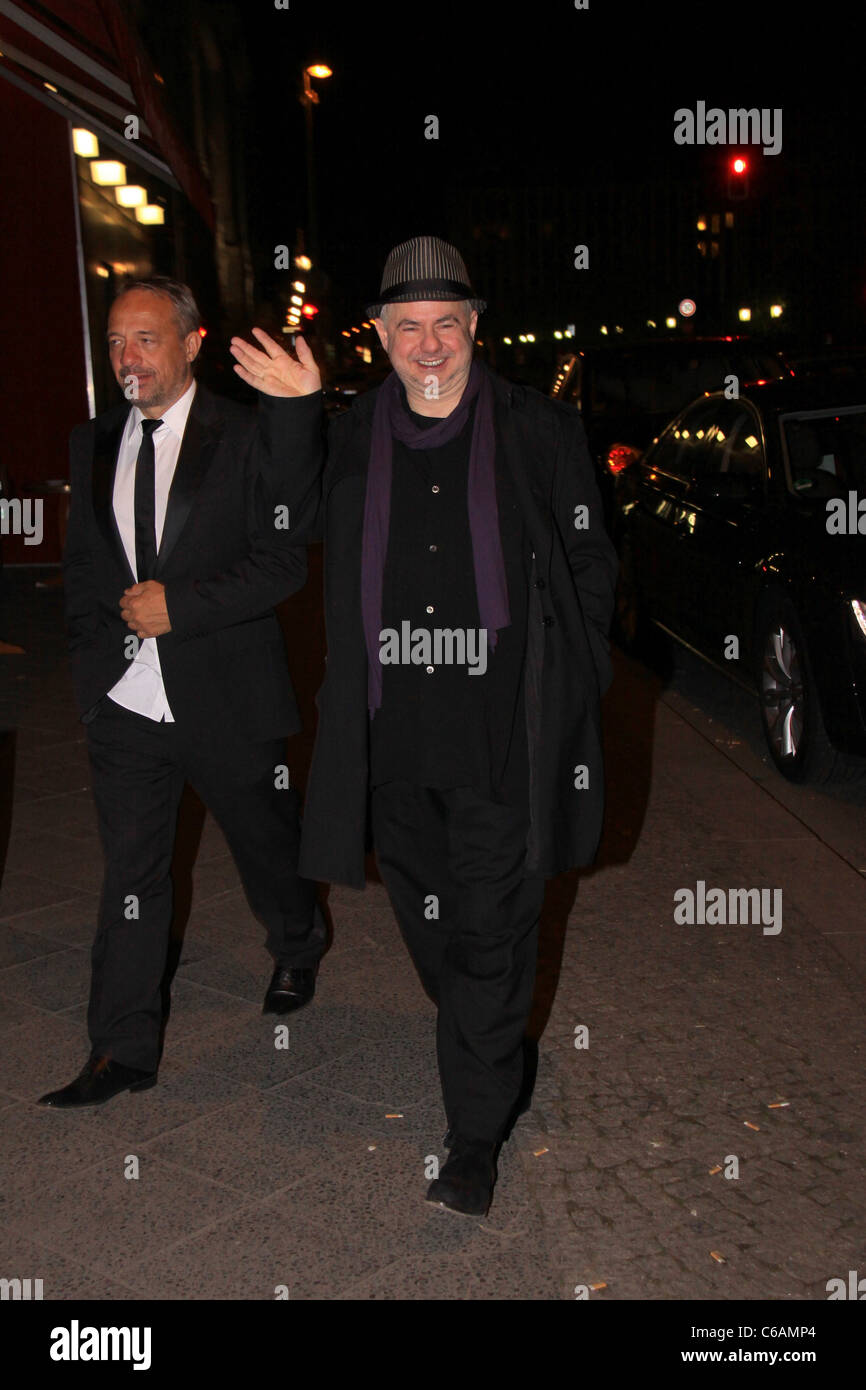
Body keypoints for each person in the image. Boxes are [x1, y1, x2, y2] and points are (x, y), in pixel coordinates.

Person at [234, 236, 618, 1216]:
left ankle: (472, 1139)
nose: (430, 344)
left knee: (492, 936)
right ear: (380, 335)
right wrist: (288, 412)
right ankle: (482, 1031)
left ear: (474, 328)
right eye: (408, 325)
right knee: (434, 930)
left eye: (447, 322)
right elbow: (283, 519)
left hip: (503, 740)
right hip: (391, 741)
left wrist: (573, 685)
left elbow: (588, 566)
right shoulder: (353, 431)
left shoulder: (538, 428)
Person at [39, 277, 326, 1109]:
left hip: (227, 696)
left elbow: (281, 559)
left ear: (194, 343)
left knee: (265, 844)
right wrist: (93, 683)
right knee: (132, 871)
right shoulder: (89, 442)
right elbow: (86, 573)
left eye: (147, 339)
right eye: (117, 341)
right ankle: (121, 1048)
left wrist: (182, 608)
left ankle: (297, 941)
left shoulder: (241, 434)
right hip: (125, 705)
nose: (128, 357)